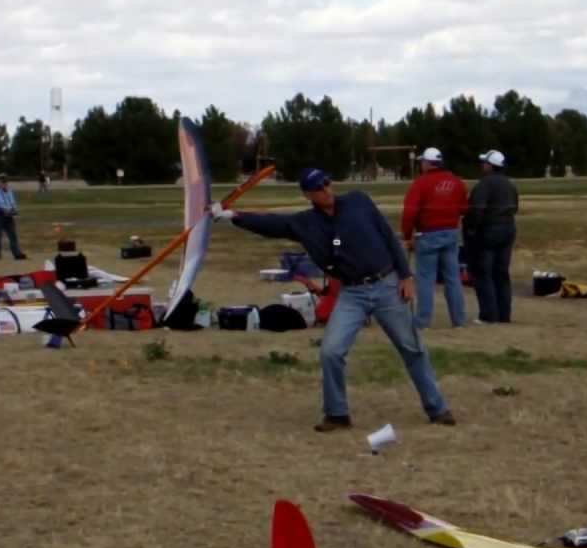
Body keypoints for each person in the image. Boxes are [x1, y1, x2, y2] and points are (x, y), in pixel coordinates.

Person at [215, 167, 455, 432]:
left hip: (386, 285)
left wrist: (405, 276)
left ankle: (437, 408)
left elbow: (388, 236)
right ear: (308, 195)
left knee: (412, 348)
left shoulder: (359, 201)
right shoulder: (305, 223)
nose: (326, 190)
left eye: (327, 183)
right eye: (319, 188)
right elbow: (272, 224)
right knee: (331, 351)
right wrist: (233, 216)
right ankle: (337, 414)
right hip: (351, 293)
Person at [401, 147, 468, 329]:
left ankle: (422, 321)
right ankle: (459, 320)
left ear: (427, 163)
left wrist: (407, 235)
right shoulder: (456, 181)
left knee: (425, 279)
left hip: (427, 234)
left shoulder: (420, 183)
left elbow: (410, 212)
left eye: (422, 161)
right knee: (453, 278)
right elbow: (463, 208)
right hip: (451, 233)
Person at [465, 149, 519, 324]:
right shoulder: (510, 184)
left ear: (490, 165)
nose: (482, 165)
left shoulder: (484, 184)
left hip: (488, 231)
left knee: (484, 273)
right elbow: (515, 207)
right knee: (502, 274)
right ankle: (504, 314)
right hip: (508, 229)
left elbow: (476, 210)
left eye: (484, 163)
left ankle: (488, 315)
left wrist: (472, 229)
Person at [0, 173, 27, 260]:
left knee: (13, 236)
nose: (5, 184)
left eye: (6, 182)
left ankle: (17, 254)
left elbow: (13, 203)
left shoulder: (9, 191)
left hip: (9, 216)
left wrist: (14, 210)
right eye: (2, 182)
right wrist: (3, 210)